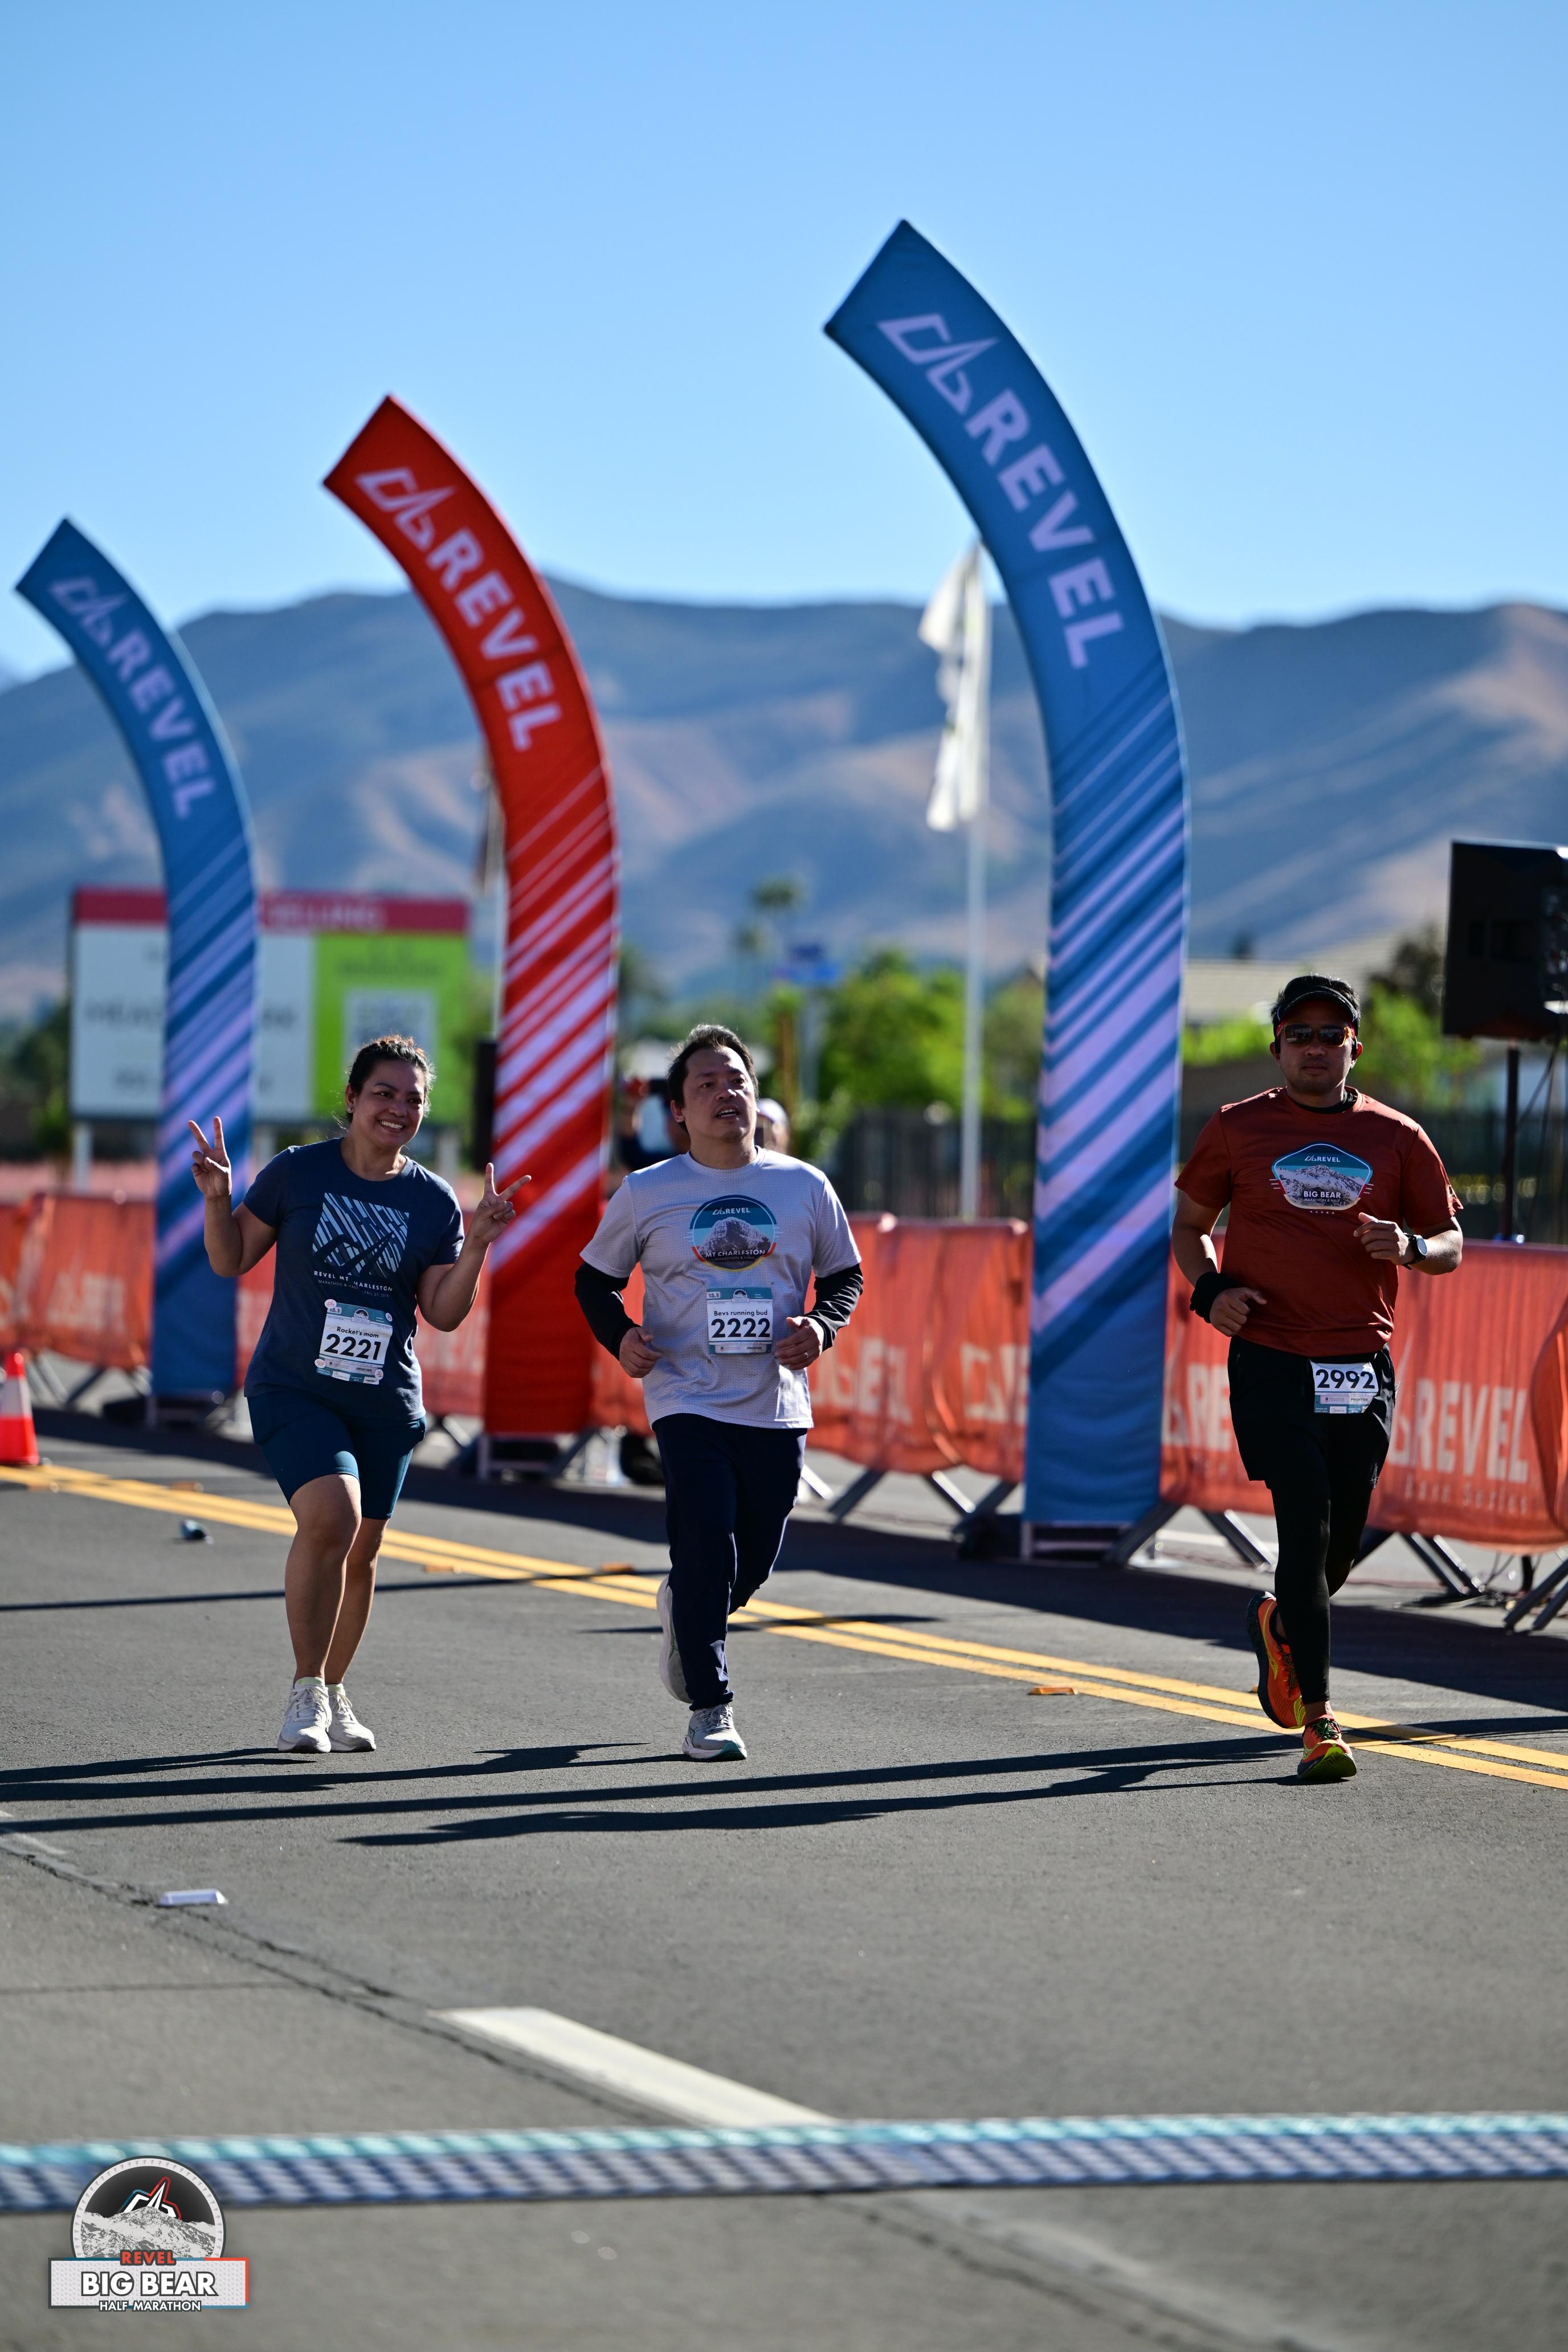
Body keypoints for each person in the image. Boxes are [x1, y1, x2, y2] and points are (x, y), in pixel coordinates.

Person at [188, 1036, 524, 1755]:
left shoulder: (431, 1200)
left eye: (413, 1099)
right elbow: (230, 1257)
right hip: (295, 1385)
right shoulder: (297, 1172)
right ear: (351, 1098)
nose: (398, 1108)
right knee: (331, 1518)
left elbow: (442, 1313)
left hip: (384, 1400)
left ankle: (335, 1691)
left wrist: (475, 1247)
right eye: (383, 1093)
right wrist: (218, 1200)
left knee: (362, 1551)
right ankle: (306, 1692)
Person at [1171, 977, 1462, 1782]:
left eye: (1331, 1035)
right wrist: (1211, 1291)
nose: (1315, 1047)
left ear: (1353, 1049)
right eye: (1299, 1034)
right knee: (1306, 1520)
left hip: (1359, 1362)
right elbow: (1190, 1227)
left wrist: (1410, 1247)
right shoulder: (1237, 1127)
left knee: (1339, 1536)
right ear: (1277, 1048)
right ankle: (1320, 1720)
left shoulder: (1397, 1136)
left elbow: (1449, 1242)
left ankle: (1280, 1623)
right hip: (1271, 1355)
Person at [574, 1024, 863, 1760]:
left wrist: (822, 1327)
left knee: (751, 1559)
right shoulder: (648, 1192)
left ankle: (687, 1612)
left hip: (776, 1401)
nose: (725, 1093)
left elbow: (844, 1276)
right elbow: (593, 1281)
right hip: (686, 1395)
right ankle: (711, 1707)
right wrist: (622, 1336)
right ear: (678, 1110)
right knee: (706, 1539)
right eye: (705, 1084)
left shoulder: (804, 1186)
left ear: (755, 1095)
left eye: (736, 1080)